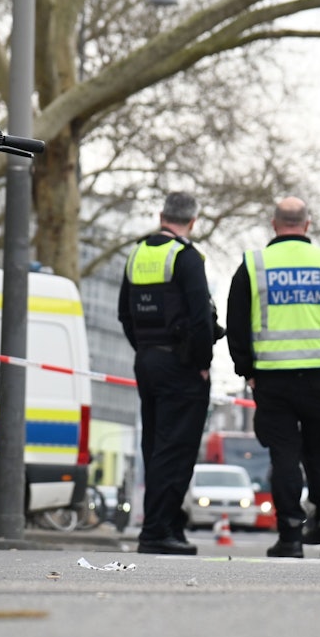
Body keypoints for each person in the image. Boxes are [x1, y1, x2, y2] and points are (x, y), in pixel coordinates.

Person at [226, 196, 320, 558]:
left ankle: (290, 536)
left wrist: (247, 371)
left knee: (284, 458)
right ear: (308, 224)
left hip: (273, 379)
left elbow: (236, 322)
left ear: (274, 224)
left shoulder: (254, 265)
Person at [118, 192, 217, 555]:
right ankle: (159, 531)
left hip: (147, 361)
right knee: (177, 450)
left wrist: (144, 349)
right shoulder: (186, 257)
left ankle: (165, 525)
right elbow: (200, 319)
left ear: (162, 216)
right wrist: (202, 363)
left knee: (156, 446)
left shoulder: (138, 253)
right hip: (182, 366)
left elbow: (124, 314)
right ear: (192, 222)